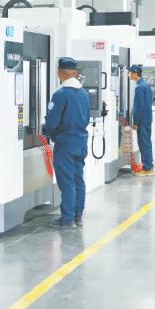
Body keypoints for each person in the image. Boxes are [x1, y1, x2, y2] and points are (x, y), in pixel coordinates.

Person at [43, 57, 91, 230]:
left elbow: (52, 121)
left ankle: (67, 219)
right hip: (81, 141)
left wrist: (47, 132)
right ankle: (78, 216)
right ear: (75, 74)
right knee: (79, 180)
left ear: (59, 73)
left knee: (67, 181)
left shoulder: (60, 95)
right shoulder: (84, 94)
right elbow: (87, 117)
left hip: (65, 143)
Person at [129, 65, 154, 176]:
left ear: (135, 73)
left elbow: (139, 107)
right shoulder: (145, 85)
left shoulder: (139, 87)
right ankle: (149, 166)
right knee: (147, 143)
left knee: (143, 144)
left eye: (130, 72)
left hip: (142, 120)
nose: (129, 75)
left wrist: (136, 122)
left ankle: (147, 169)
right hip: (147, 119)